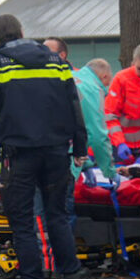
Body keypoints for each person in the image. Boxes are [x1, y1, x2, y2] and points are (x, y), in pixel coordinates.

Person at [0, 14, 89, 279]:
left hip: (18, 154)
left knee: (23, 224)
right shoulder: (55, 61)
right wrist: (80, 145)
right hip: (57, 151)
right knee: (57, 216)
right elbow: (74, 103)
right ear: (23, 32)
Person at [45, 38, 115, 180]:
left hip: (42, 154)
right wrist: (110, 172)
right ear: (105, 76)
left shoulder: (68, 77)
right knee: (63, 199)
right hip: (66, 159)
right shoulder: (93, 89)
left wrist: (87, 164)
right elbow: (97, 136)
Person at [104, 40, 140, 163]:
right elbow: (110, 114)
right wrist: (119, 143)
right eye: (139, 68)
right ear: (133, 62)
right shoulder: (121, 79)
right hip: (120, 141)